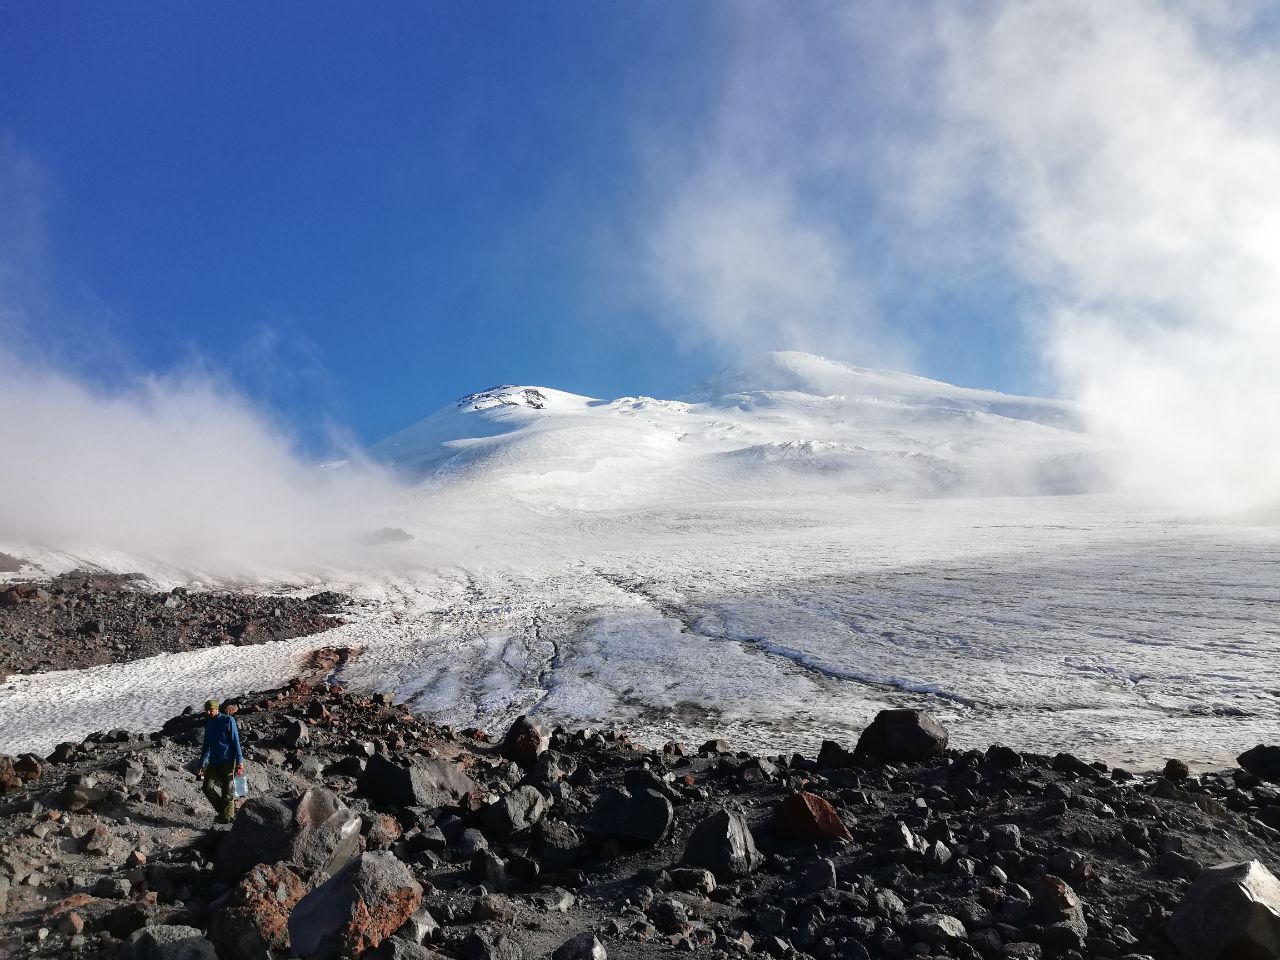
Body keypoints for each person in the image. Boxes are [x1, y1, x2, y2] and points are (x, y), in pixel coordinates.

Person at [195, 698, 245, 824]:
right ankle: (225, 812)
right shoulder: (209, 723)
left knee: (227, 792)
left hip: (228, 761)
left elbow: (235, 741)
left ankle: (227, 817)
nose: (208, 712)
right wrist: (201, 764)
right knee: (207, 787)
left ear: (216, 709)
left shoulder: (228, 720)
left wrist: (240, 761)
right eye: (206, 710)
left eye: (210, 710)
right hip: (213, 762)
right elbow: (206, 745)